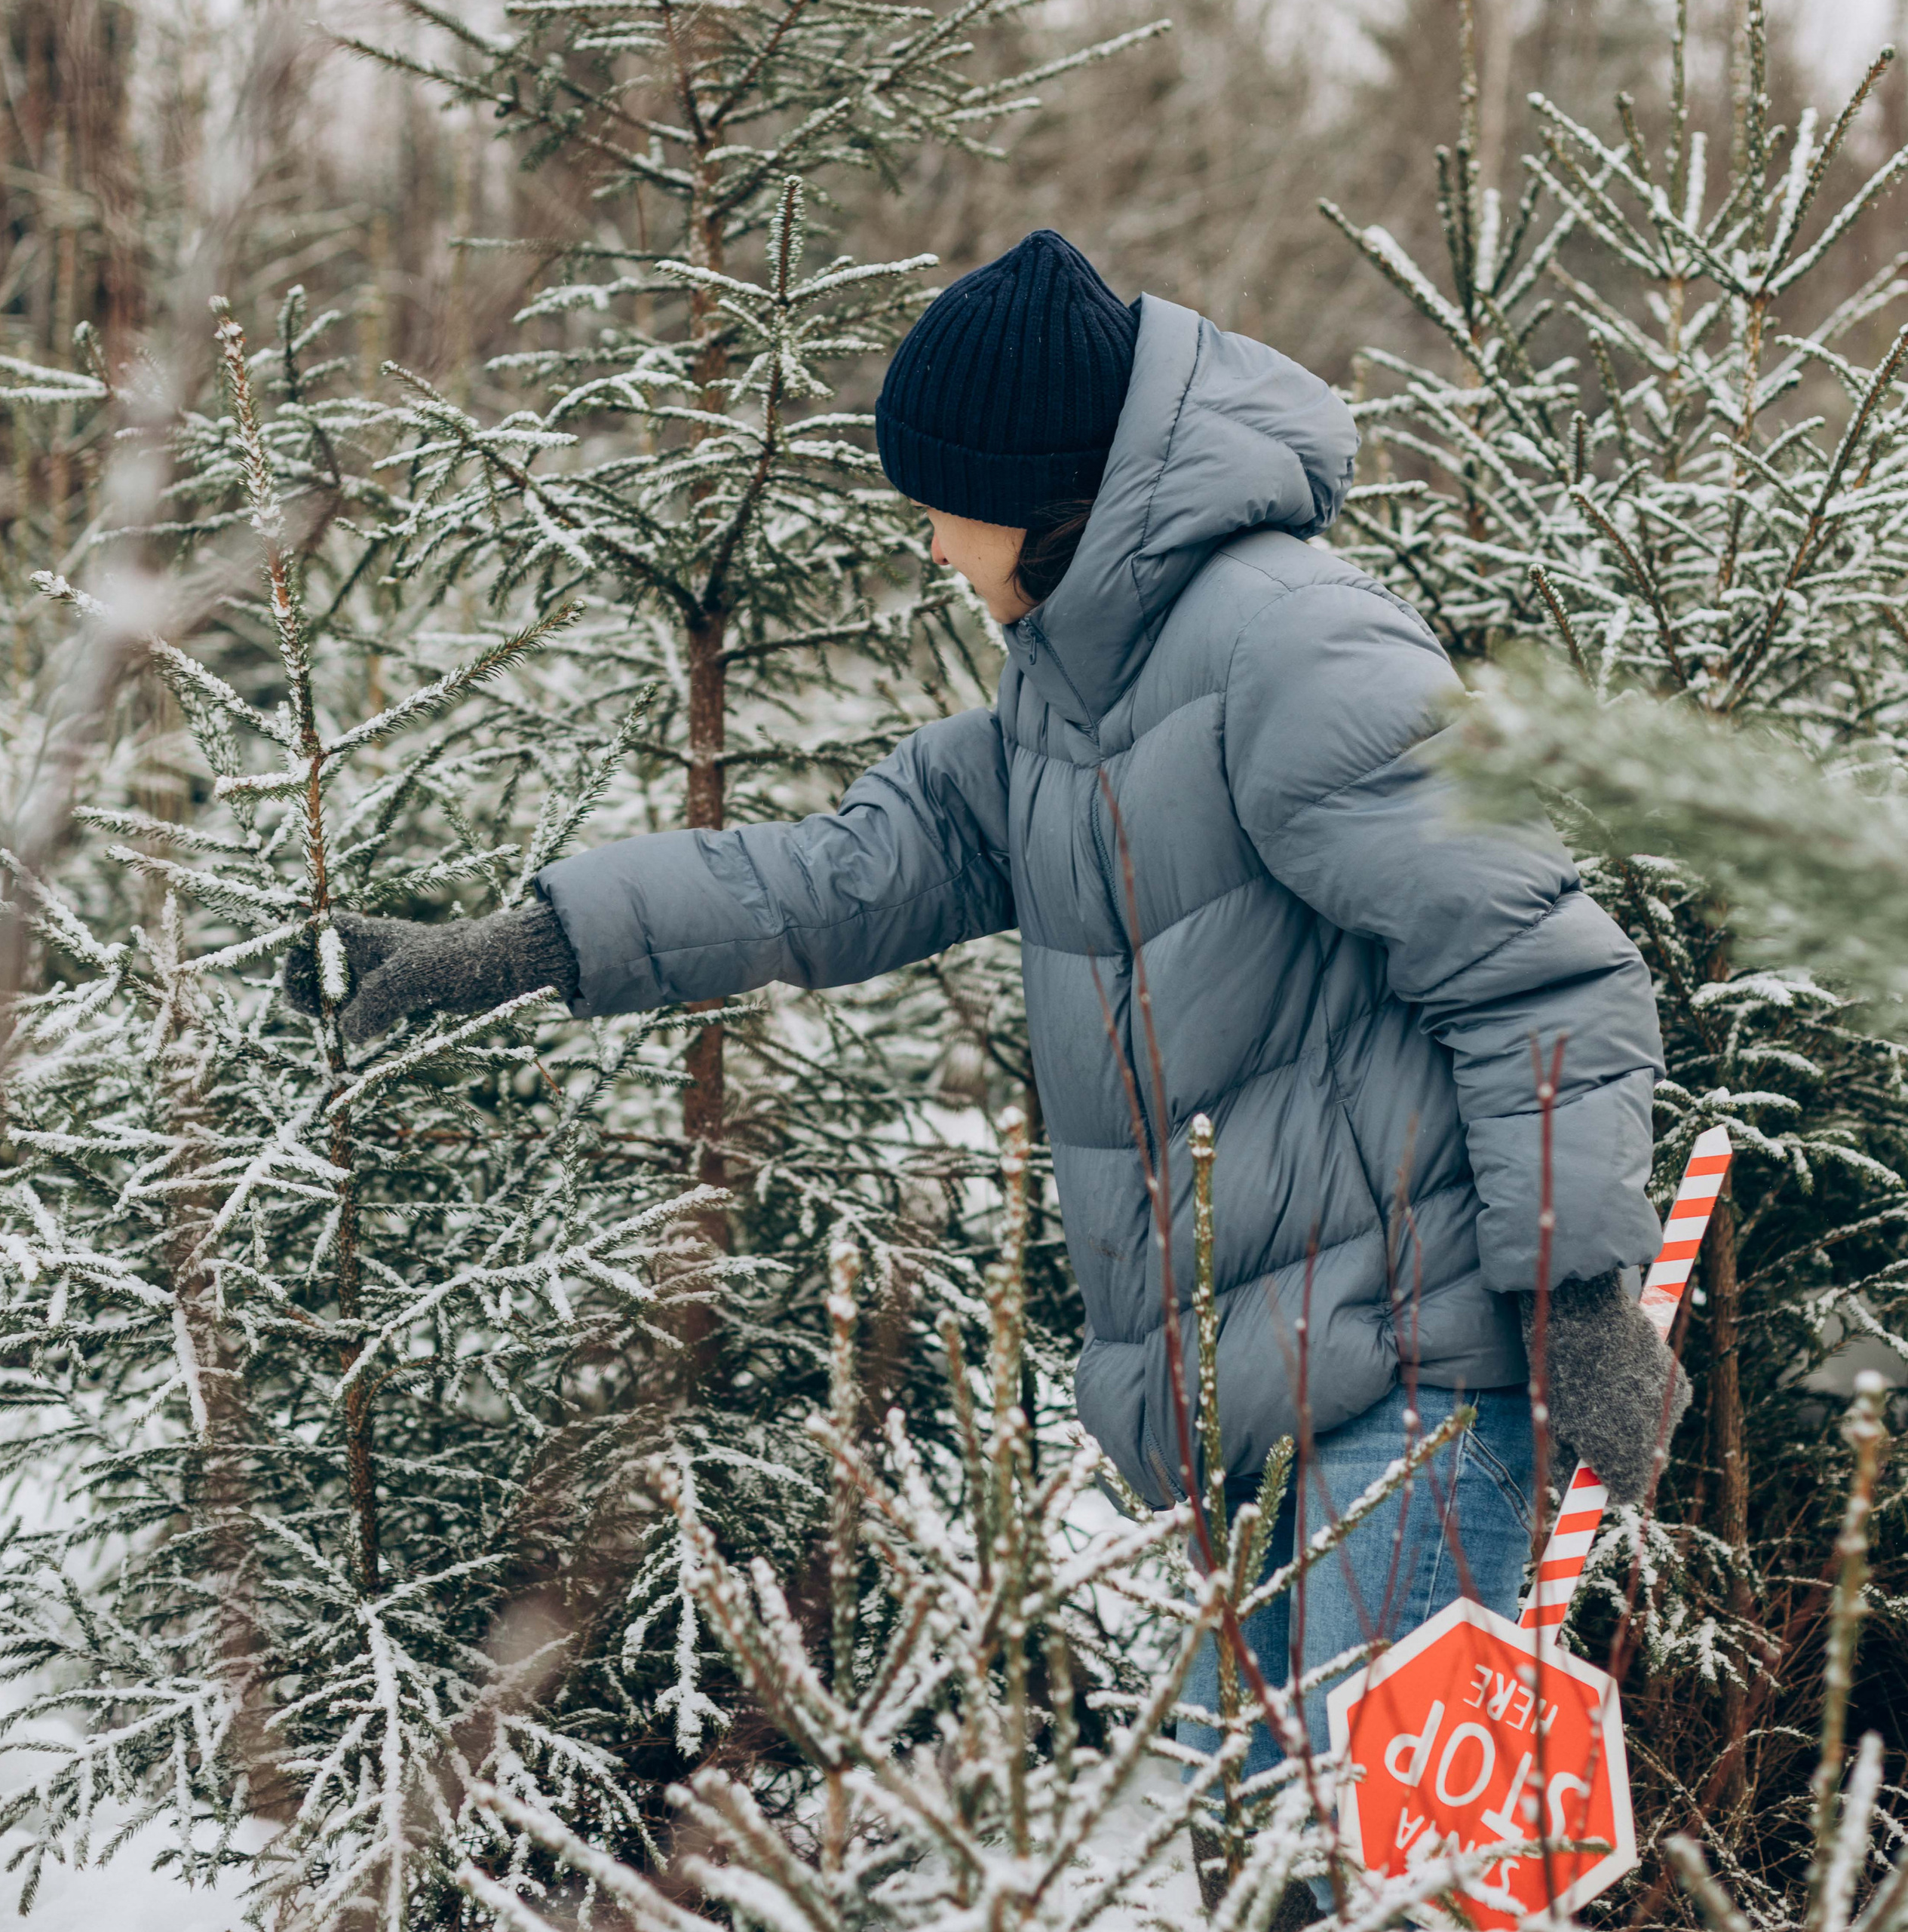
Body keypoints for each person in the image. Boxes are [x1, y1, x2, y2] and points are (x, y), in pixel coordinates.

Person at [293, 229, 1687, 1780]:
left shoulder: (1293, 645)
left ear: (1041, 497)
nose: (937, 555)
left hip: (1417, 1379)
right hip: (1269, 1391)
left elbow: (1539, 967)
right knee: (1265, 1902)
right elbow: (829, 876)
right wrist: (516, 947)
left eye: (942, 516)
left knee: (1370, 1907)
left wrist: (1572, 1298)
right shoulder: (1065, 698)